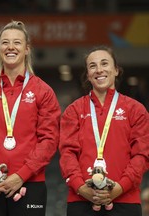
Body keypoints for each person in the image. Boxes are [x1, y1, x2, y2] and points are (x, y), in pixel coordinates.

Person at [0, 20, 61, 216]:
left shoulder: (43, 91)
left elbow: (48, 140)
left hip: (30, 185)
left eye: (17, 42)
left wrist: (21, 175)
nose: (10, 47)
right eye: (5, 42)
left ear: (27, 49)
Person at [59, 45, 149, 216]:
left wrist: (120, 187)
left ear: (116, 70)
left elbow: (141, 155)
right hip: (81, 200)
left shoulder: (135, 110)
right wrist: (80, 187)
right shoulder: (74, 110)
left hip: (125, 200)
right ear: (88, 75)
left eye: (104, 63)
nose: (99, 70)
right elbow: (67, 154)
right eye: (93, 66)